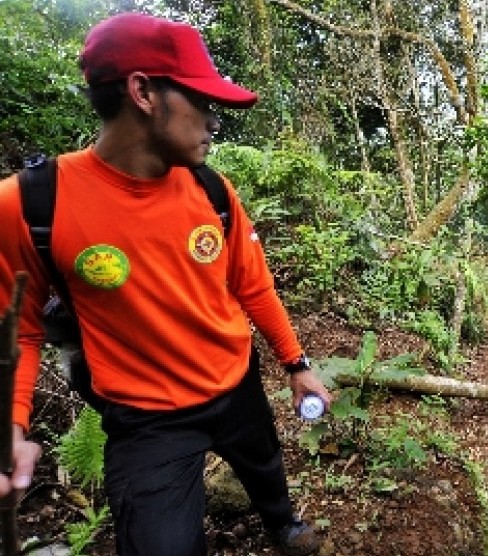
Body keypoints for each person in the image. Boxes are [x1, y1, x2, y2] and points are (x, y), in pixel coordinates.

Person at [0, 12, 331, 556]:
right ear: (143, 91)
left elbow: (253, 286)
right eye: (201, 103)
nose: (212, 122)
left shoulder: (211, 190)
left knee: (265, 463)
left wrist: (296, 365)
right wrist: (12, 426)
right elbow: (19, 331)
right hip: (147, 421)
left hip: (235, 380)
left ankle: (282, 524)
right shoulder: (33, 203)